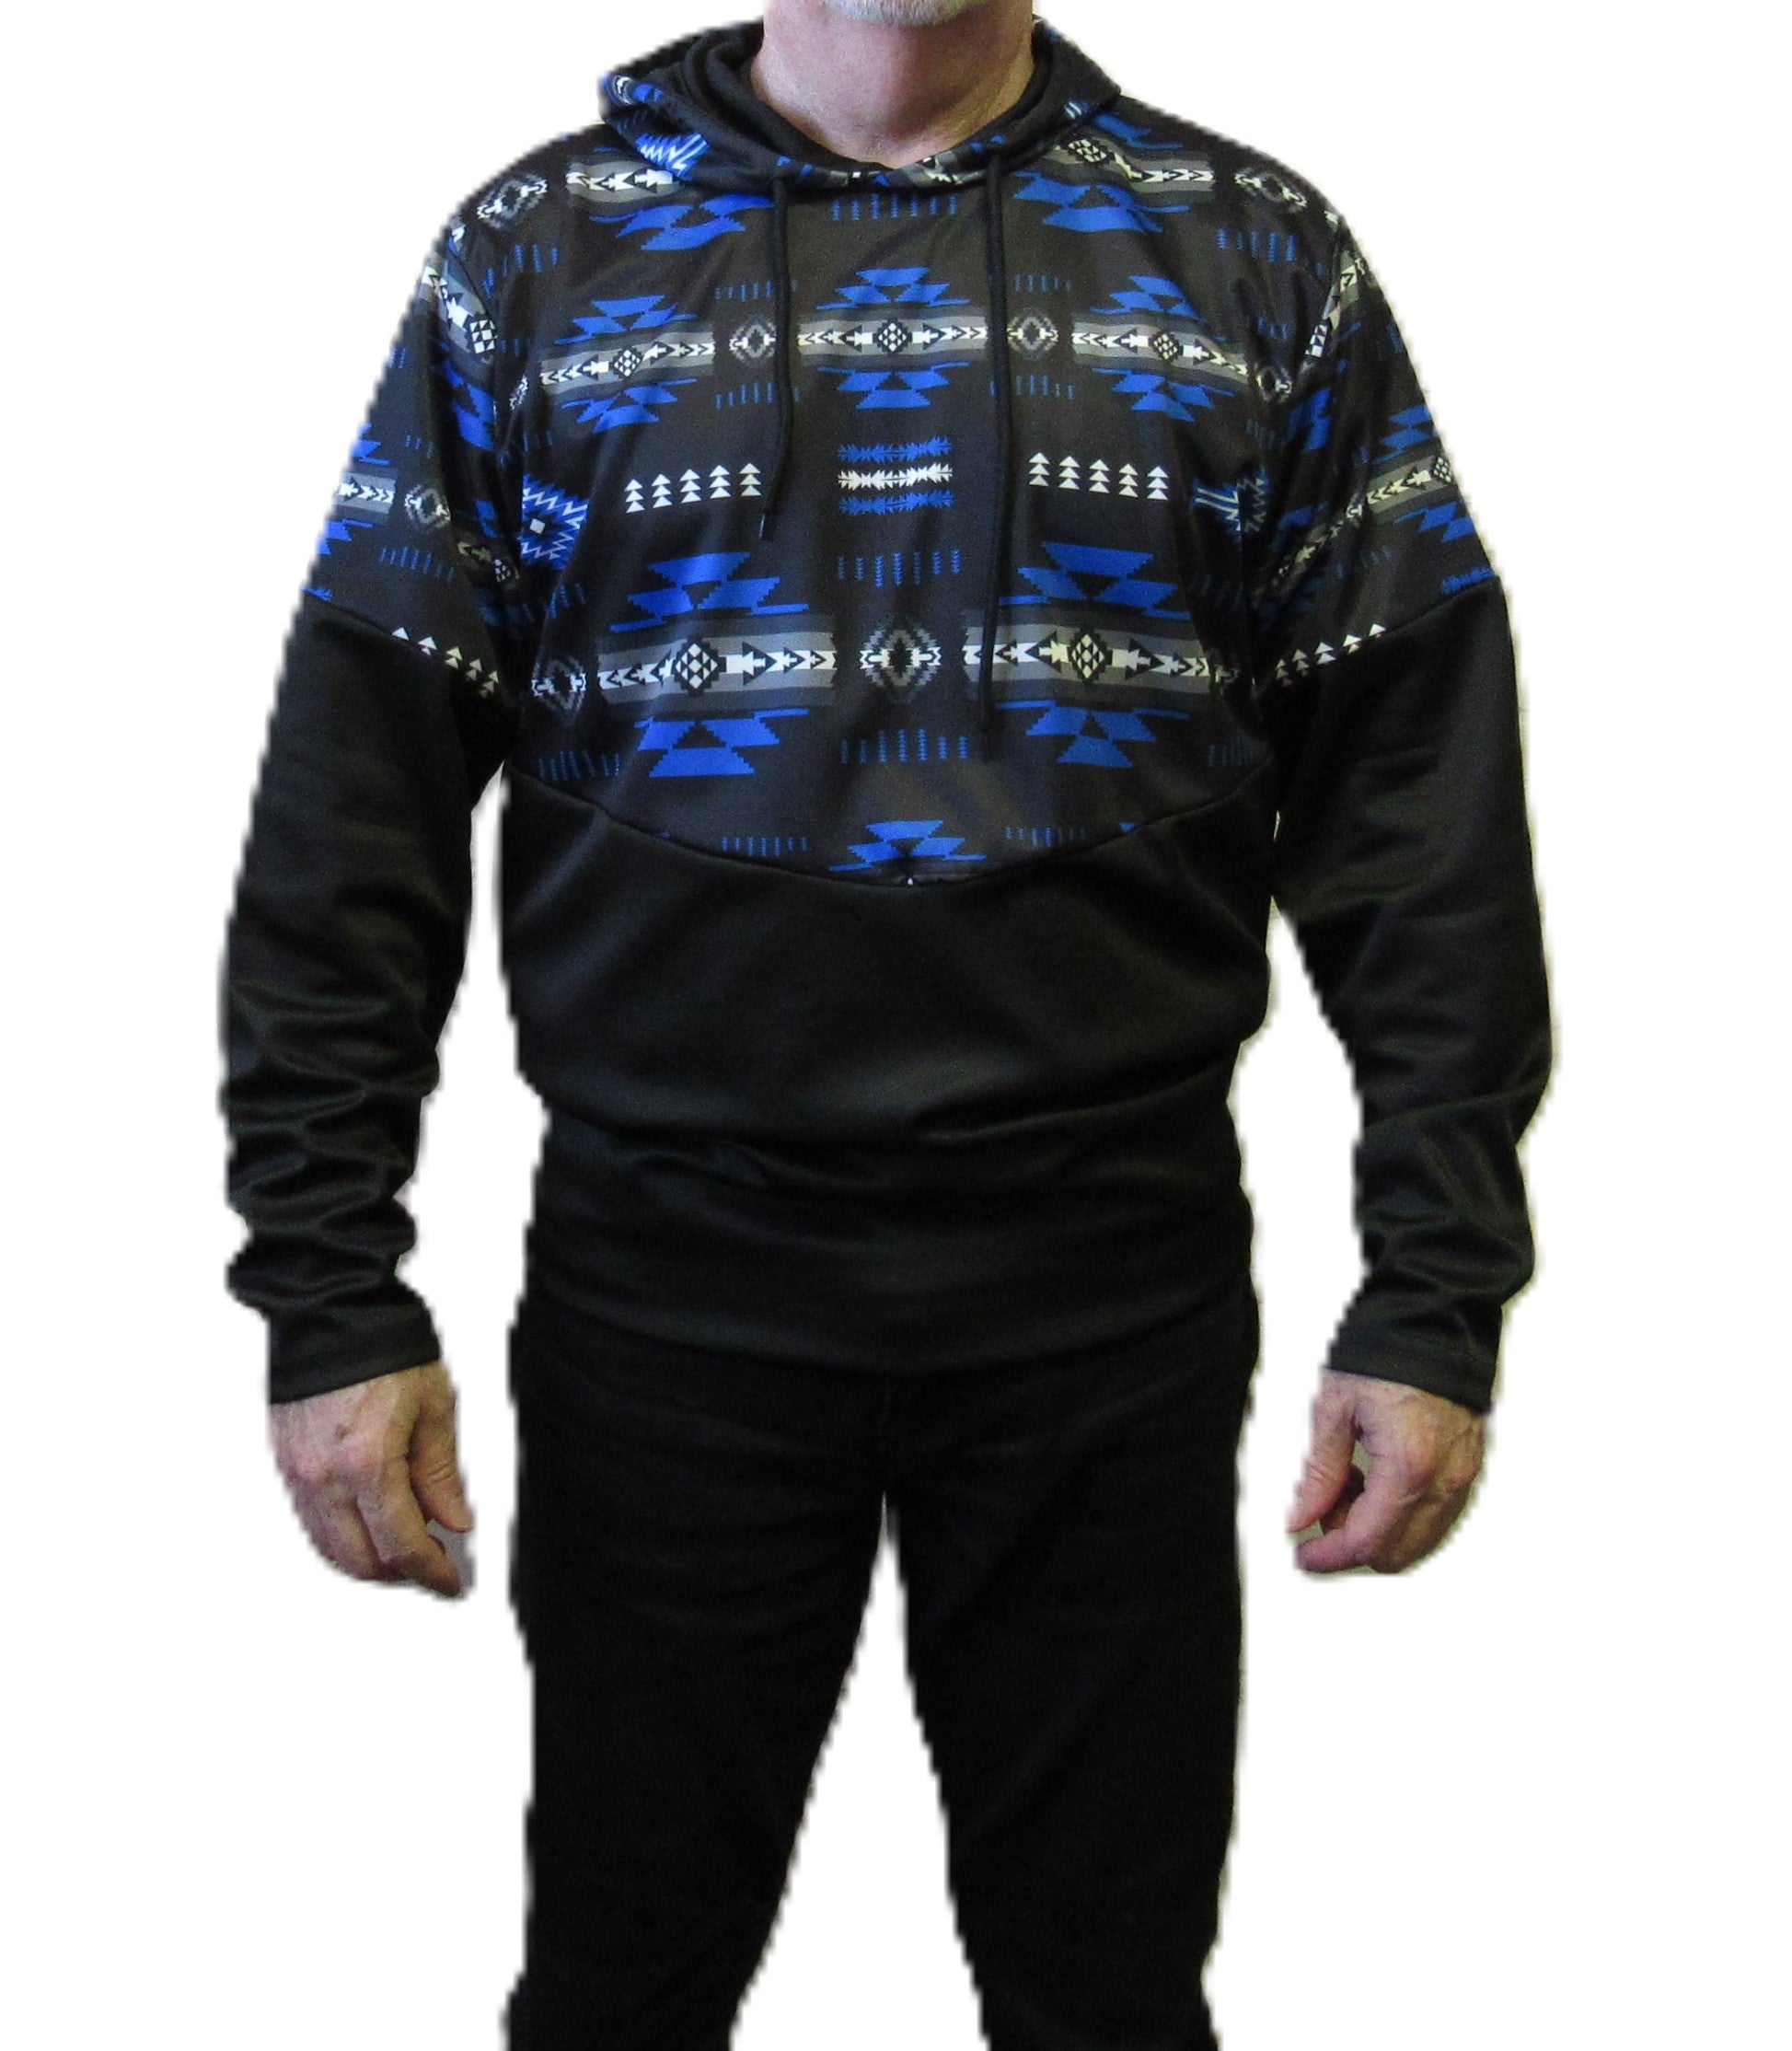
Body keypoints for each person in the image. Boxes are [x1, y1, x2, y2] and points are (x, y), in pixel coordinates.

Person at [220, 1, 1551, 2044]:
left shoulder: (1249, 255)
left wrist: (1433, 1294)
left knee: (1105, 1996)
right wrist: (330, 1291)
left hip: (1108, 1304)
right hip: (668, 1304)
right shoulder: (537, 257)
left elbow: (1416, 804)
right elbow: (355, 801)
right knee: (622, 1989)